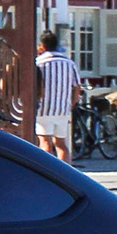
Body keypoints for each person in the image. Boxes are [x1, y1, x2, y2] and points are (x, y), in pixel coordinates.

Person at [34, 31, 79, 162]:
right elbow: (76, 86)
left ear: (42, 45)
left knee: (45, 142)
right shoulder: (69, 63)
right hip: (62, 108)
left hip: (43, 108)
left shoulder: (39, 62)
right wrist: (72, 104)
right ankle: (66, 172)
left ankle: (47, 170)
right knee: (61, 143)